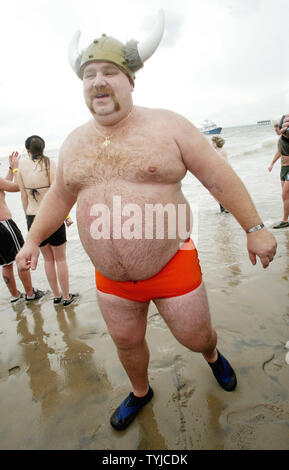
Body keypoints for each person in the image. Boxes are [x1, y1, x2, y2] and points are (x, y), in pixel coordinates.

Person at [16, 12, 277, 431]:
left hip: (171, 262)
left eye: (109, 72)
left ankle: (212, 355)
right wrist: (31, 239)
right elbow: (60, 196)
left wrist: (255, 228)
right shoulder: (75, 142)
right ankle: (141, 392)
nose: (98, 81)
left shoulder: (168, 126)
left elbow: (217, 175)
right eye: (89, 74)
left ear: (130, 80)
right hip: (110, 278)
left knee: (196, 336)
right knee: (126, 342)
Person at [16, 135, 78, 306]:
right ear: (43, 148)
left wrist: (29, 218)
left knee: (48, 260)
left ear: (28, 150)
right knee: (60, 259)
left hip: (32, 217)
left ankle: (56, 296)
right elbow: (57, 194)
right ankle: (66, 297)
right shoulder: (50, 163)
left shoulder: (21, 165)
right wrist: (66, 216)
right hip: (52, 216)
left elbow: (23, 195)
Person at [0, 151, 45, 303]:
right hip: (4, 225)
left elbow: (4, 186)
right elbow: (16, 187)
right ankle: (30, 293)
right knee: (21, 258)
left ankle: (14, 296)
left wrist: (9, 169)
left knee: (6, 264)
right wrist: (16, 170)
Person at [268, 116, 289, 229]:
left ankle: (285, 220)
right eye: (274, 127)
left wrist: (285, 130)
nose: (275, 129)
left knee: (285, 194)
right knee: (286, 196)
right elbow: (279, 152)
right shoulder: (280, 139)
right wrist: (272, 163)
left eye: (277, 126)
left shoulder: (286, 136)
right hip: (284, 168)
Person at [211, 135, 229, 213]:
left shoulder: (222, 151)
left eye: (213, 142)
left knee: (218, 192)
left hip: (222, 175)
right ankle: (224, 208)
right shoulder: (216, 152)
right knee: (215, 193)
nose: (211, 144)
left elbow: (225, 164)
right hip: (217, 175)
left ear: (216, 143)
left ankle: (225, 209)